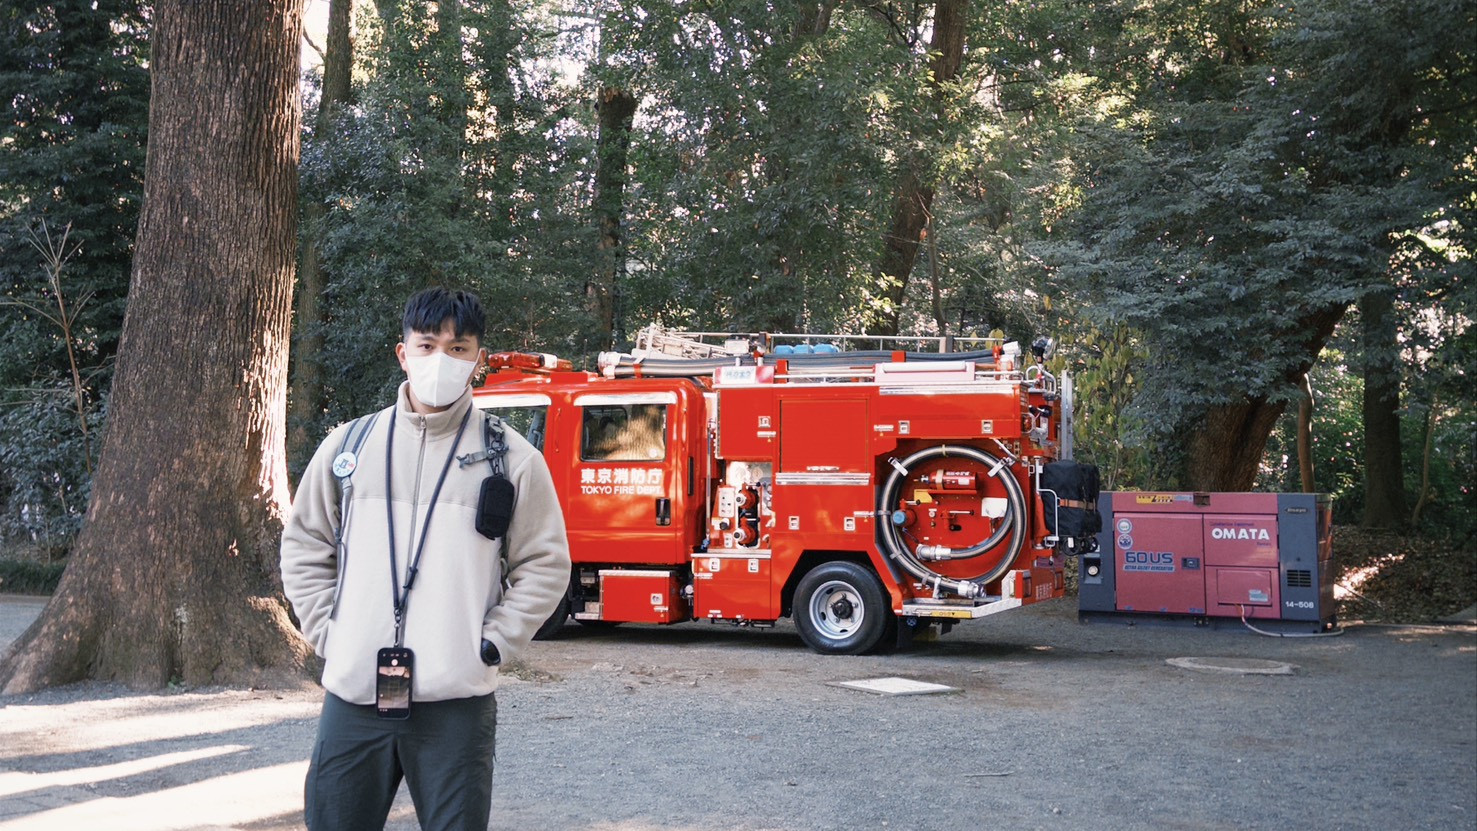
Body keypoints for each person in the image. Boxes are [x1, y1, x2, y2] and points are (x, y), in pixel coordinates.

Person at [281, 287, 571, 831]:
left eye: (458, 348)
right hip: (354, 695)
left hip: (455, 702)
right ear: (403, 353)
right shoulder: (349, 447)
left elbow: (545, 563)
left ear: (479, 361)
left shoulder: (512, 460)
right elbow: (305, 543)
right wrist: (328, 631)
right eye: (428, 344)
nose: (442, 359)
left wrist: (493, 643)